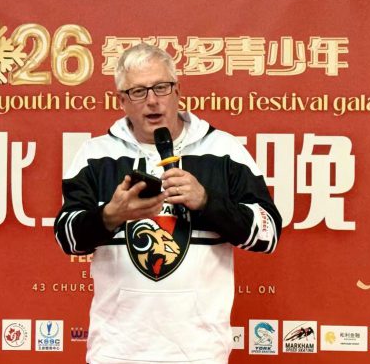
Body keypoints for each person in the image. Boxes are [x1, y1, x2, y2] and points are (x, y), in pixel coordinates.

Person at [54, 43, 282, 364]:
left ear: (177, 91)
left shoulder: (224, 151)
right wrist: (110, 216)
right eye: (137, 92)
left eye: (161, 87)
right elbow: (66, 236)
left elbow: (268, 234)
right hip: (116, 352)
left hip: (199, 353)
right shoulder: (95, 155)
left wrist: (207, 201)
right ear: (122, 101)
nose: (152, 100)